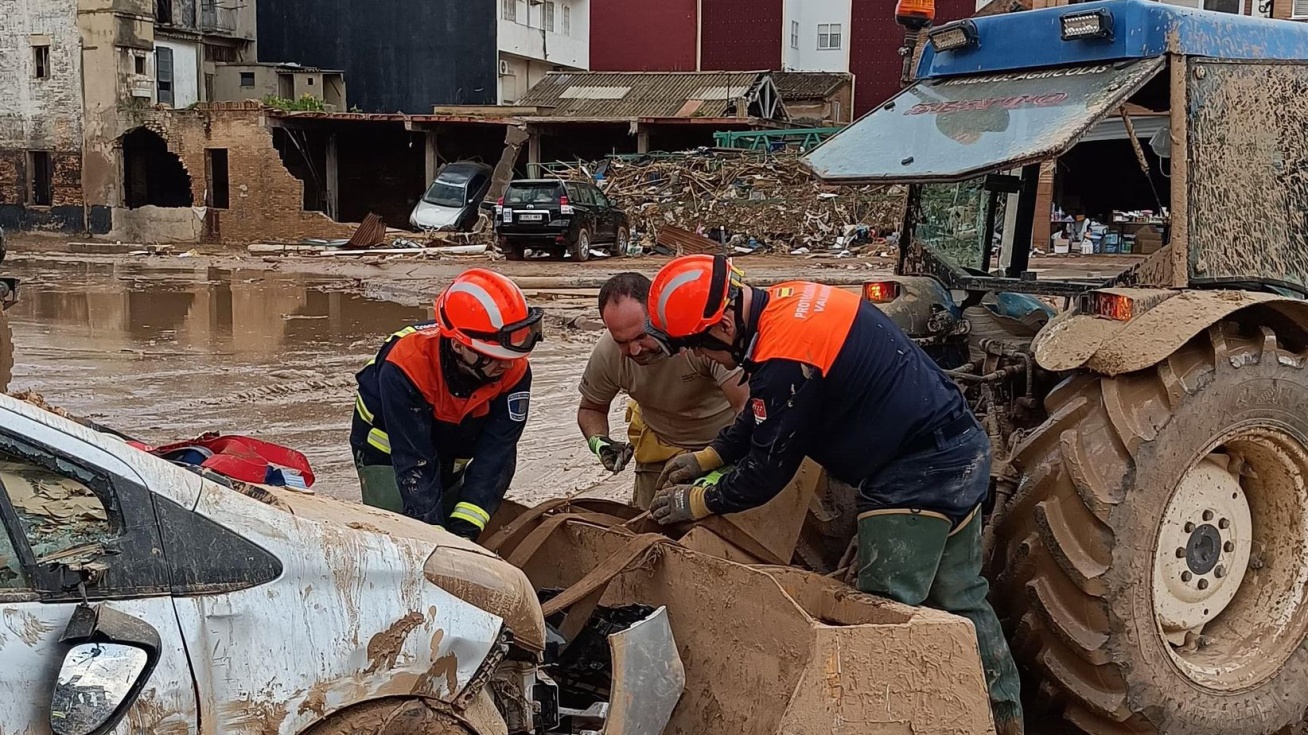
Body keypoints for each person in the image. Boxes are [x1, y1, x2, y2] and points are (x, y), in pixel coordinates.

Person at [644, 254, 1023, 735]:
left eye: (698, 349)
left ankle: (900, 723)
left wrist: (696, 501)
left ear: (720, 324)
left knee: (884, 619)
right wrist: (709, 457)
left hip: (914, 477)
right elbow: (767, 411)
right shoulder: (789, 302)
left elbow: (766, 472)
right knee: (962, 600)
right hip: (958, 448)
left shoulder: (785, 356)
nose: (700, 360)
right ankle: (1006, 717)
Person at [351, 268, 541, 541]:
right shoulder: (406, 364)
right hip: (387, 451)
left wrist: (464, 533)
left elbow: (496, 454)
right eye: (494, 356)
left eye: (513, 353)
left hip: (453, 444)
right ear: (458, 346)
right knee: (401, 532)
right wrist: (432, 535)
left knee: (461, 515)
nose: (508, 364)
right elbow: (413, 459)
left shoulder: (515, 371)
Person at [577, 272, 747, 509]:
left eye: (641, 336)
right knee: (648, 525)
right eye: (622, 341)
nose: (634, 350)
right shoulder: (608, 352)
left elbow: (749, 409)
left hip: (724, 445)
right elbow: (590, 408)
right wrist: (599, 442)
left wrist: (726, 464)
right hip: (661, 446)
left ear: (658, 316)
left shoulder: (697, 337)